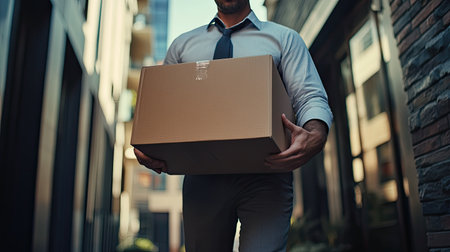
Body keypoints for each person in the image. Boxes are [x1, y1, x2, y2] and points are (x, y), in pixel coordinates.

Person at [134, 0, 333, 251]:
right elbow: (163, 110)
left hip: (267, 174)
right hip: (201, 177)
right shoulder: (182, 46)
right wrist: (145, 144)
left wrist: (316, 132)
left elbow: (309, 96)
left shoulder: (284, 39)